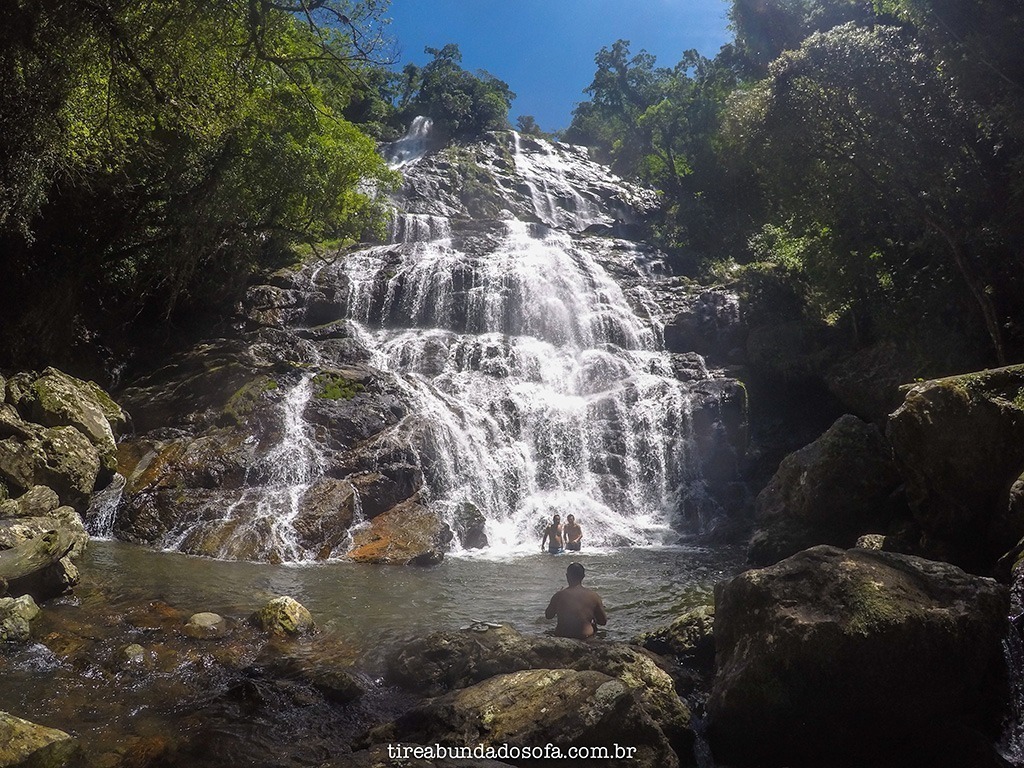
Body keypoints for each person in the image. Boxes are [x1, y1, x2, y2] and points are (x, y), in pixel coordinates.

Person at [545, 562, 607, 639]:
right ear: (583, 577)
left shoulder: (559, 595)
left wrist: (556, 597)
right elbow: (603, 622)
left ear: (567, 576)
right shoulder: (594, 596)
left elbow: (548, 616)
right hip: (585, 637)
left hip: (562, 637)